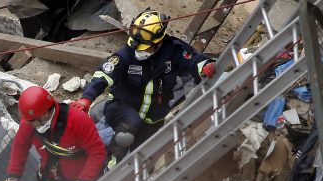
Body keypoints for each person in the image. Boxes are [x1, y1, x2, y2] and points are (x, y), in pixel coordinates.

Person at [73, 9, 216, 161]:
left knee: (142, 154)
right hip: (122, 108)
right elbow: (104, 74)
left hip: (153, 117)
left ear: (159, 42)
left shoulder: (173, 50)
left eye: (145, 47)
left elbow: (194, 60)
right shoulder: (127, 53)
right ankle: (111, 162)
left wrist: (205, 66)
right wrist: (86, 99)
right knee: (127, 130)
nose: (138, 50)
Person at [1, 85, 106, 181]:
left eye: (31, 121)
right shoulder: (30, 121)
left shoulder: (76, 119)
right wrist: (14, 176)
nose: (27, 124)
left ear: (45, 114)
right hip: (52, 176)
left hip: (83, 177)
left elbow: (97, 152)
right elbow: (20, 145)